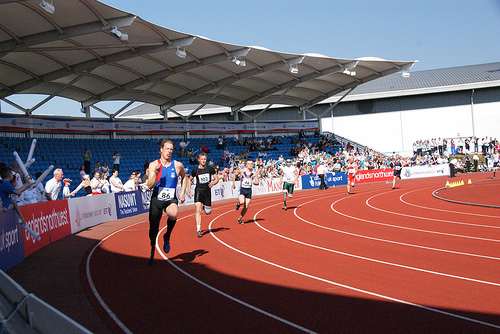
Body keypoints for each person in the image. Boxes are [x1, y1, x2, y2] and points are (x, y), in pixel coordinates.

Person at [147, 139, 187, 265]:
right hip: (157, 198)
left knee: (174, 214)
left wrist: (182, 192)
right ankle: (153, 246)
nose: (169, 151)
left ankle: (167, 236)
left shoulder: (177, 165)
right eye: (167, 149)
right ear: (161, 150)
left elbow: (184, 177)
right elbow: (149, 185)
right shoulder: (154, 165)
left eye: (171, 149)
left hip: (170, 198)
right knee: (153, 228)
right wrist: (155, 173)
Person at [187, 152, 219, 238]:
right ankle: (198, 229)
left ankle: (205, 207)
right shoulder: (195, 170)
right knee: (197, 209)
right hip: (198, 191)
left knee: (208, 212)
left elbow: (217, 179)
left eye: (205, 159)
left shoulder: (210, 168)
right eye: (202, 159)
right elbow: (190, 179)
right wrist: (189, 189)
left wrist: (213, 183)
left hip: (207, 192)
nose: (203, 161)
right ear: (199, 160)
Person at [232, 160, 259, 225]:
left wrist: (254, 183)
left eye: (251, 164)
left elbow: (257, 182)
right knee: (242, 202)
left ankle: (240, 218)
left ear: (253, 165)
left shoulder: (254, 173)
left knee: (246, 207)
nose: (250, 165)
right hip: (242, 189)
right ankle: (238, 204)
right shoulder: (242, 171)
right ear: (246, 165)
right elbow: (234, 174)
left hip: (249, 191)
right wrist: (233, 183)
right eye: (248, 164)